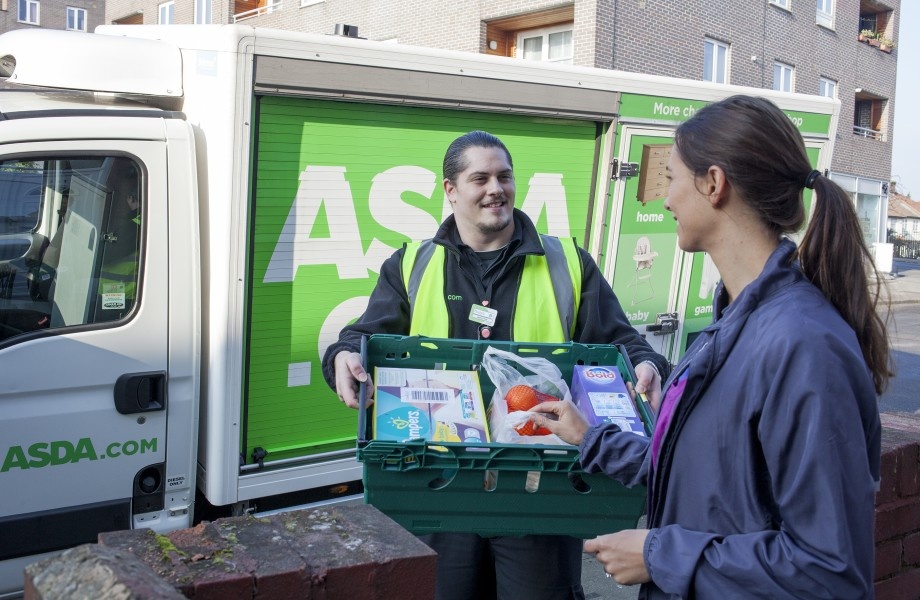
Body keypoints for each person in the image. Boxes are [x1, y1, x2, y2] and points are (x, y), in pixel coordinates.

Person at [529, 95, 892, 599]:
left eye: (673, 179)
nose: (666, 199)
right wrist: (591, 438)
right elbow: (704, 480)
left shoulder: (804, 347)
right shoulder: (732, 327)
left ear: (714, 184)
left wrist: (658, 555)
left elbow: (829, 570)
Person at [322, 130, 670, 600]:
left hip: (540, 488)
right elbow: (362, 339)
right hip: (440, 483)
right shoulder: (412, 264)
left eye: (504, 177)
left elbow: (622, 343)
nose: (496, 189)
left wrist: (647, 364)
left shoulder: (567, 262)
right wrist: (341, 356)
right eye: (479, 178)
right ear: (451, 190)